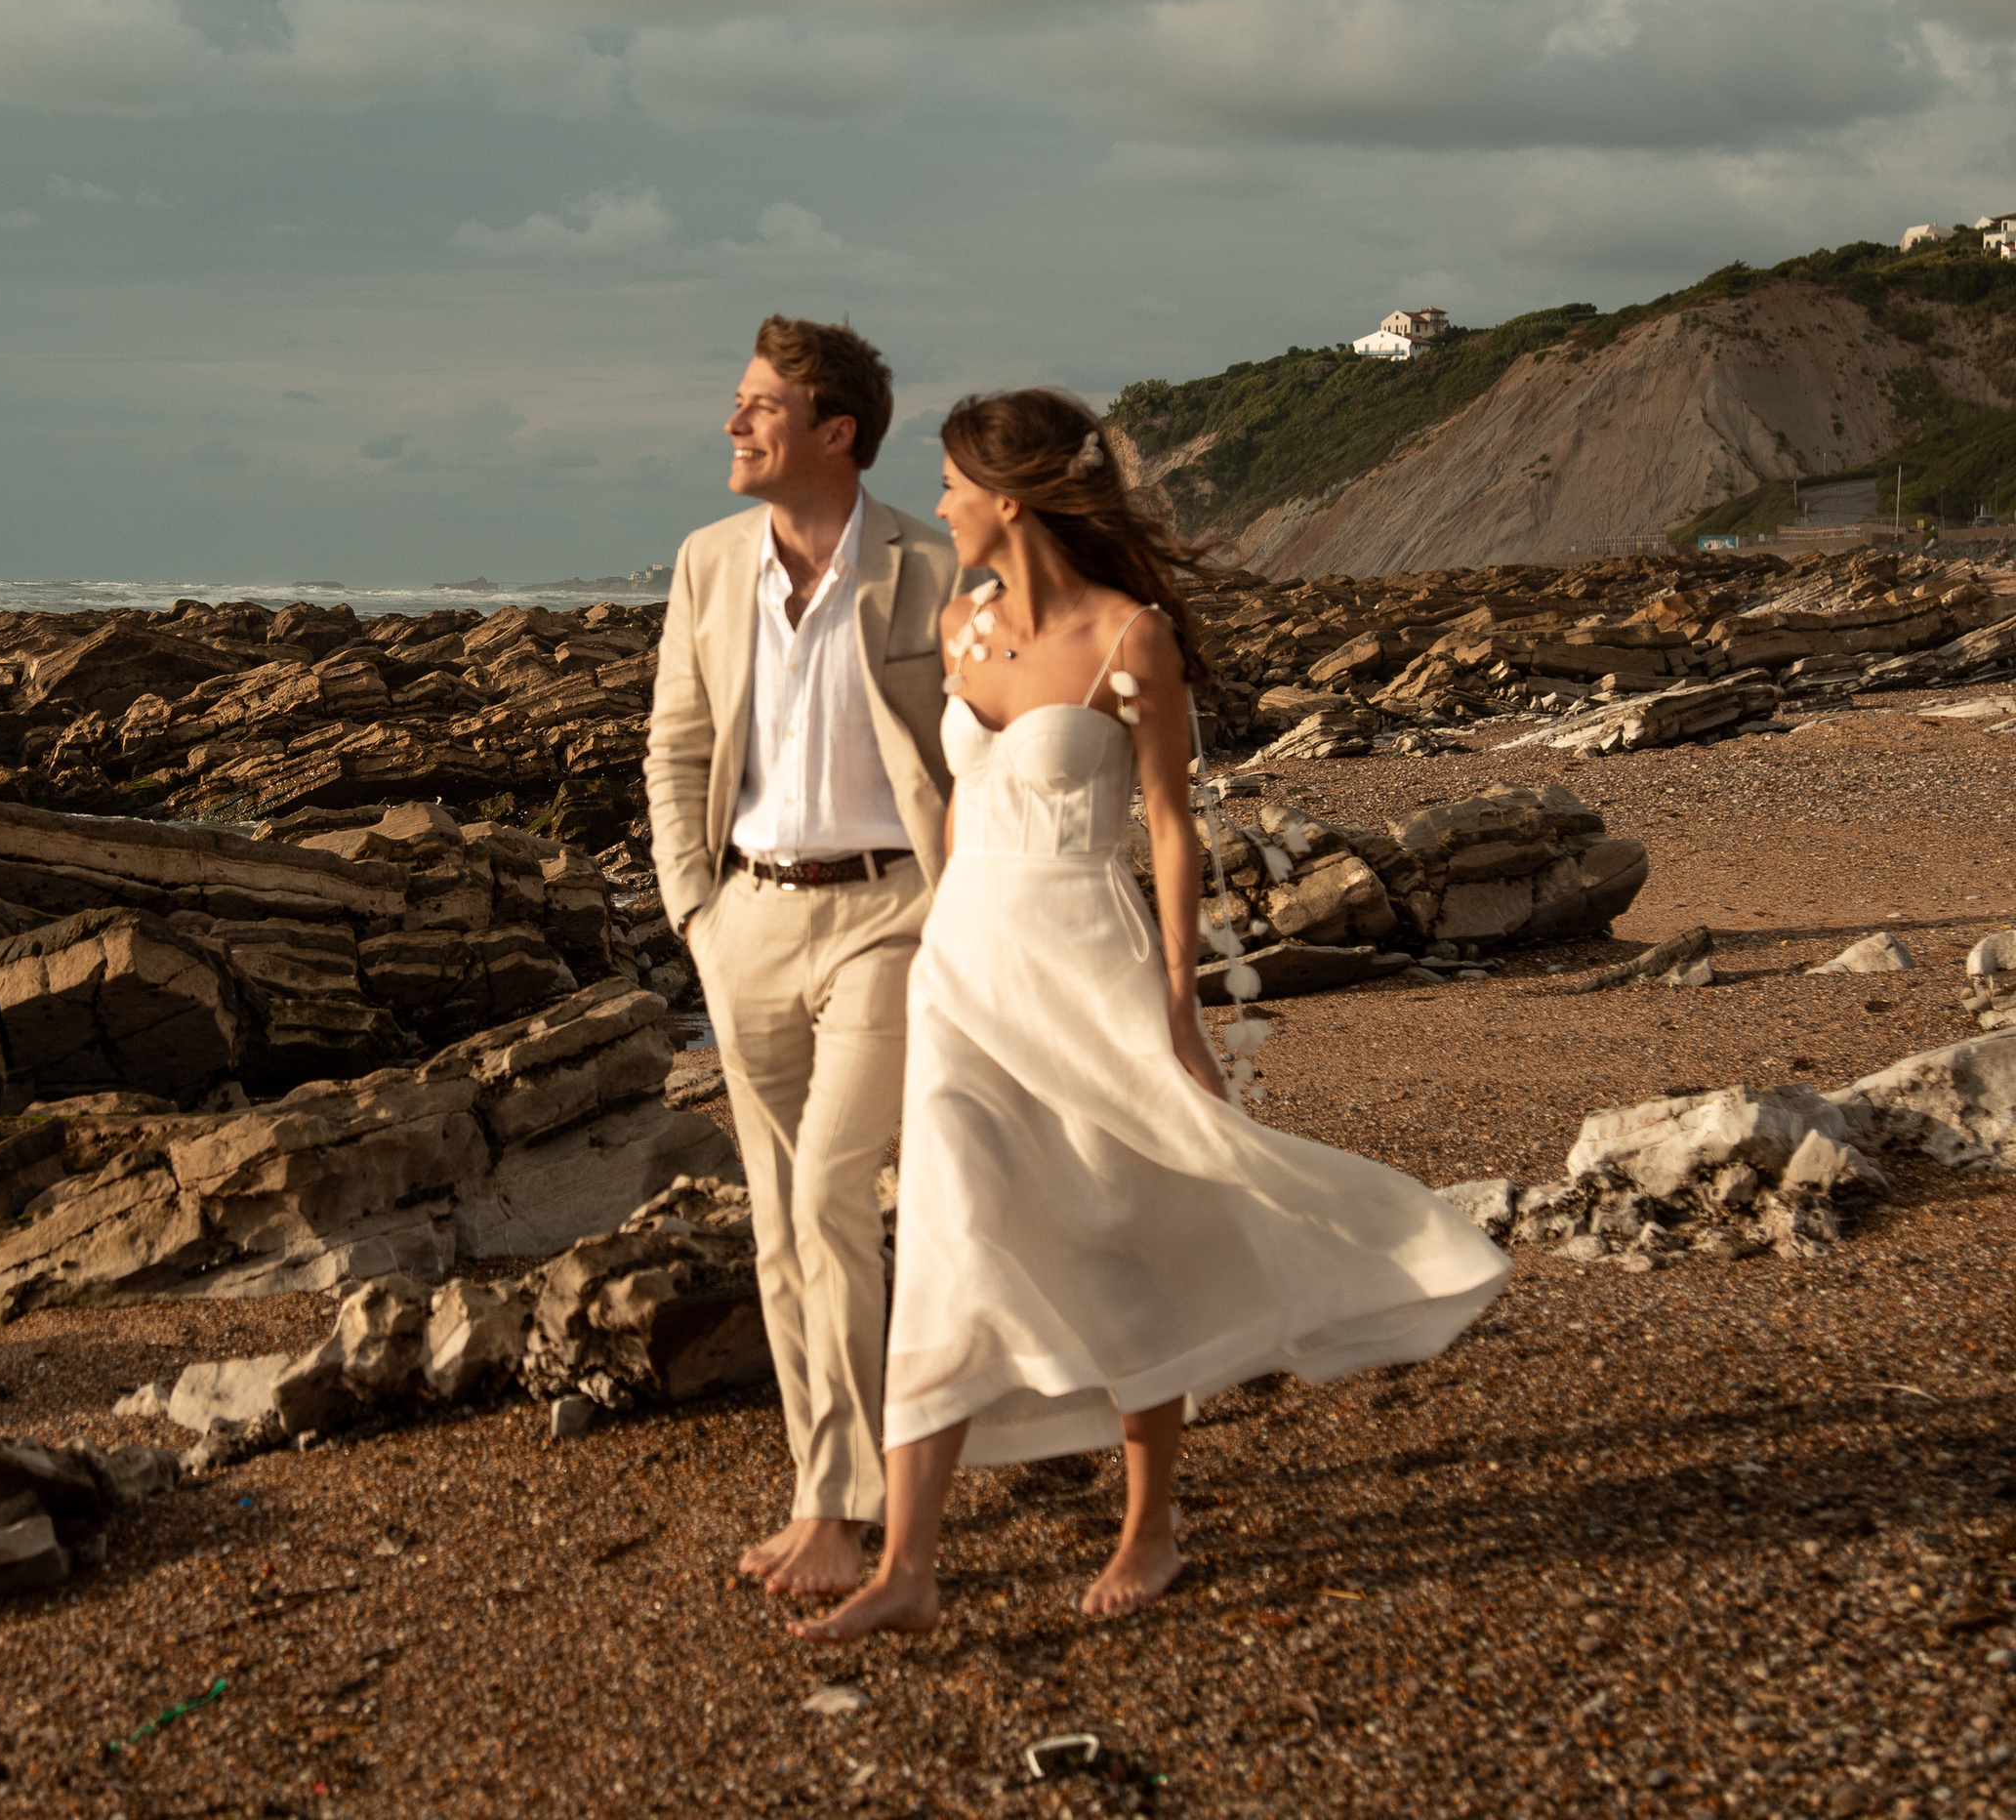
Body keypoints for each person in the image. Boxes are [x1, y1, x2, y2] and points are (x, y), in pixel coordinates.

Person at [792, 388, 1512, 1640]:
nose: (942, 502)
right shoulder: (961, 626)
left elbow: (1172, 832)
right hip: (966, 970)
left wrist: (1177, 1009)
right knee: (949, 1234)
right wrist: (931, 945)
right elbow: (962, 810)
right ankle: (908, 1564)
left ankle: (1150, 1525)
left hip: (1085, 960)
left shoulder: (1134, 640)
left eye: (955, 482)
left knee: (1122, 1229)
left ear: (1009, 495)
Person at [643, 315, 958, 1602]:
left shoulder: (929, 562)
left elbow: (989, 736)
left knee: (833, 1191)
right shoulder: (709, 563)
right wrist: (696, 912)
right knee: (781, 1221)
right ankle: (825, 1482)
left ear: (836, 432)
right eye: (738, 399)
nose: (734, 422)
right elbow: (675, 744)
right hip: (749, 921)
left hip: (892, 915)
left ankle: (852, 1505)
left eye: (760, 404)